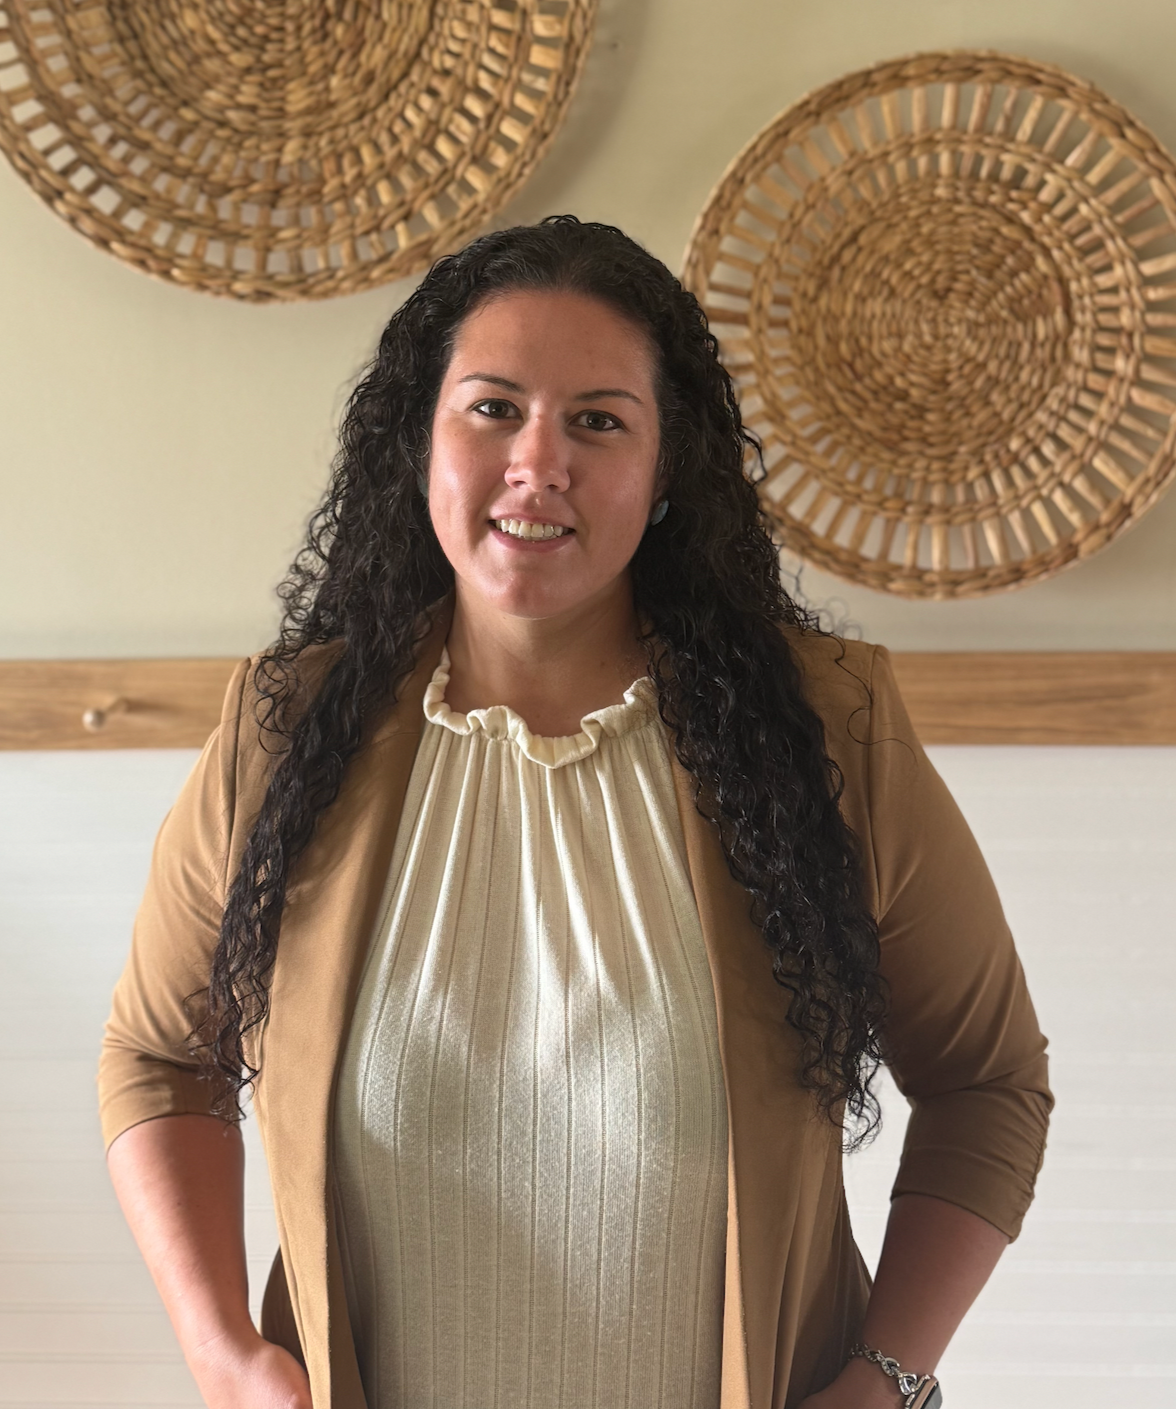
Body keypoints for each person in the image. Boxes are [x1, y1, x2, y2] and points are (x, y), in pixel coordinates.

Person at [99, 215, 1052, 1409]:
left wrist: (886, 1377)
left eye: (598, 420)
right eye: (493, 408)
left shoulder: (825, 730)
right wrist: (221, 1351)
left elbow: (988, 1080)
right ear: (420, 445)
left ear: (663, 481)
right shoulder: (285, 732)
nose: (537, 462)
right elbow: (159, 1054)